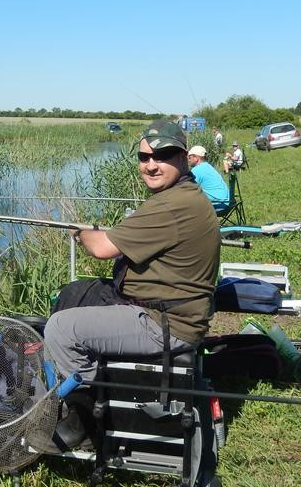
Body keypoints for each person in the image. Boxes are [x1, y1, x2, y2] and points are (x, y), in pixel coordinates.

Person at [44, 119, 221, 402]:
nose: (151, 165)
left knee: (61, 329)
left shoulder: (172, 204)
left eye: (162, 156)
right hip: (171, 310)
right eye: (144, 157)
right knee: (75, 294)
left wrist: (80, 232)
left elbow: (101, 248)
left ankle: (83, 412)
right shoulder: (185, 194)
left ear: (183, 158)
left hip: (167, 322)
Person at [187, 145, 230, 209]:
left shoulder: (197, 170)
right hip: (226, 202)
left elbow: (188, 189)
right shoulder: (208, 166)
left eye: (190, 157)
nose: (188, 159)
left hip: (217, 204)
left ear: (196, 158)